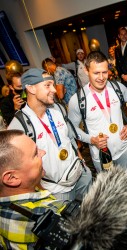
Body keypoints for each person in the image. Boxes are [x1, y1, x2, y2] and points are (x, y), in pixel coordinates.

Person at [0, 129, 127, 249]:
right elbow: (118, 202)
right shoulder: (47, 214)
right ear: (11, 178)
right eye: (35, 154)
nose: (43, 152)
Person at [8, 68, 92, 201]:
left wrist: (82, 162)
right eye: (47, 85)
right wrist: (42, 192)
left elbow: (69, 137)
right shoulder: (18, 127)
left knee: (92, 210)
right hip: (56, 190)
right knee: (71, 221)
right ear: (31, 88)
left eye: (53, 85)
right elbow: (19, 169)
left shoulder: (58, 109)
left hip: (80, 174)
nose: (54, 90)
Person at [68, 51, 127, 173]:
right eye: (96, 73)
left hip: (123, 149)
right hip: (100, 157)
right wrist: (91, 140)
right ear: (86, 71)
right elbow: (71, 129)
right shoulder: (78, 99)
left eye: (104, 72)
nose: (101, 78)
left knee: (126, 186)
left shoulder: (117, 88)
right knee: (108, 190)